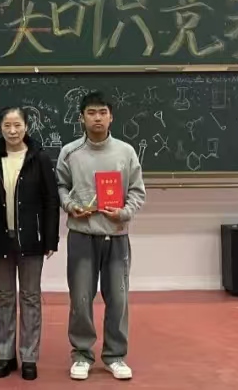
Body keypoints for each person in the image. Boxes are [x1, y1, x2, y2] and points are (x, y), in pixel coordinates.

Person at [56, 91, 146, 382]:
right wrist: (70, 205)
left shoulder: (125, 152)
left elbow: (137, 191)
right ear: (81, 118)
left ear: (111, 117)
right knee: (81, 298)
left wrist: (124, 212)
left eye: (103, 112)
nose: (97, 118)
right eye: (91, 112)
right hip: (82, 235)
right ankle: (82, 354)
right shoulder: (70, 152)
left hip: (116, 236)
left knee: (118, 298)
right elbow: (60, 185)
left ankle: (115, 356)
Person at [0, 105, 60, 381]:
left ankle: (29, 356)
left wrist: (51, 238)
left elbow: (51, 201)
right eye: (7, 126)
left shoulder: (39, 157)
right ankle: (5, 355)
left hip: (31, 239)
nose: (12, 131)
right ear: (0, 128)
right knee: (4, 297)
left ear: (26, 127)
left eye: (17, 125)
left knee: (31, 297)